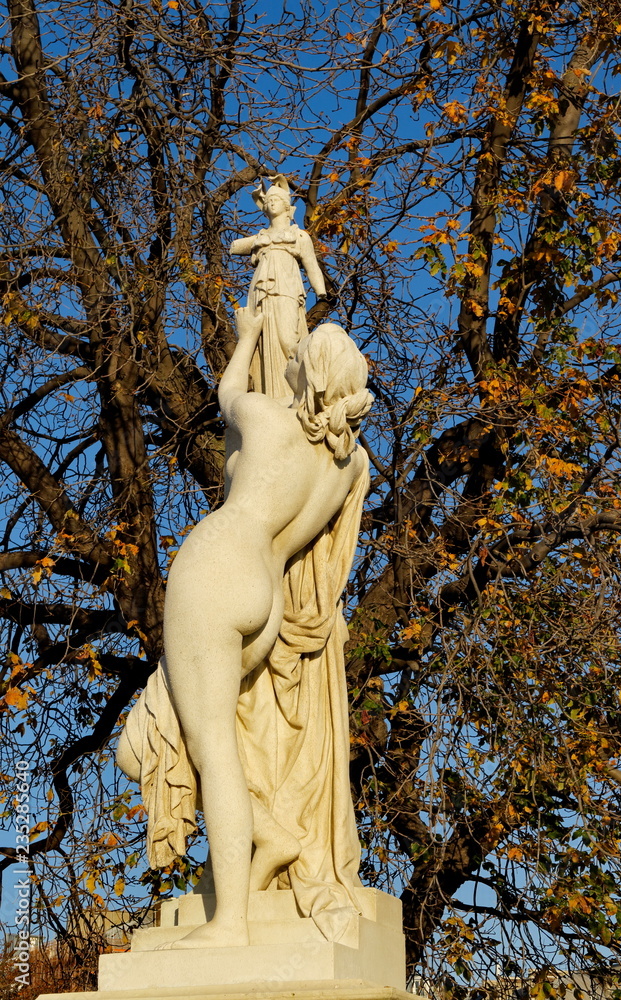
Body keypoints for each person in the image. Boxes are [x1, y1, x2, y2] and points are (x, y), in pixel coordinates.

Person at [118, 306, 372, 949]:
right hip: (268, 599)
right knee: (151, 742)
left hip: (217, 568)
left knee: (212, 750)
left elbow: (227, 393)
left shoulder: (268, 420)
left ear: (309, 378)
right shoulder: (348, 465)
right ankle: (269, 834)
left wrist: (250, 333)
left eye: (298, 357)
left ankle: (229, 923)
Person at [229, 175, 327, 399]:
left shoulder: (298, 235)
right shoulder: (261, 237)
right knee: (258, 341)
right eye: (269, 200)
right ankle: (268, 394)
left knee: (287, 338)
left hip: (286, 286)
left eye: (276, 199)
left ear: (286, 206)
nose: (272, 202)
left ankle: (301, 388)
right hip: (259, 291)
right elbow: (234, 246)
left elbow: (311, 265)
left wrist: (322, 293)